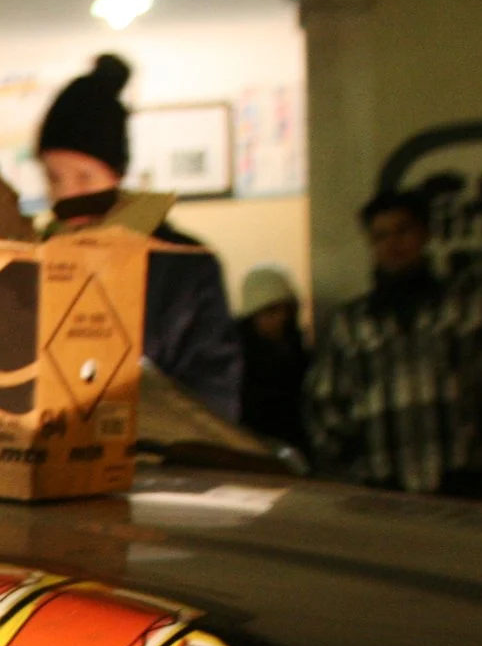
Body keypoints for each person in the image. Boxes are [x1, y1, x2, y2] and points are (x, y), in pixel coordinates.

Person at [34, 54, 241, 418]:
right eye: (54, 178)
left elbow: (214, 400)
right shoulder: (35, 260)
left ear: (117, 175)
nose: (67, 195)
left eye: (84, 177)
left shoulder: (184, 267)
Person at [306, 187, 482, 499]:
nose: (393, 244)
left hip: (458, 480)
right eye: (380, 236)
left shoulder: (465, 310)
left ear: (424, 234)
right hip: (381, 486)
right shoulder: (352, 323)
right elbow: (325, 401)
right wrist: (348, 460)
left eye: (403, 231)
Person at [236, 265, 309, 456]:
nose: (281, 319)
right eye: (271, 311)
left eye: (286, 310)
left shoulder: (298, 354)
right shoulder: (237, 362)